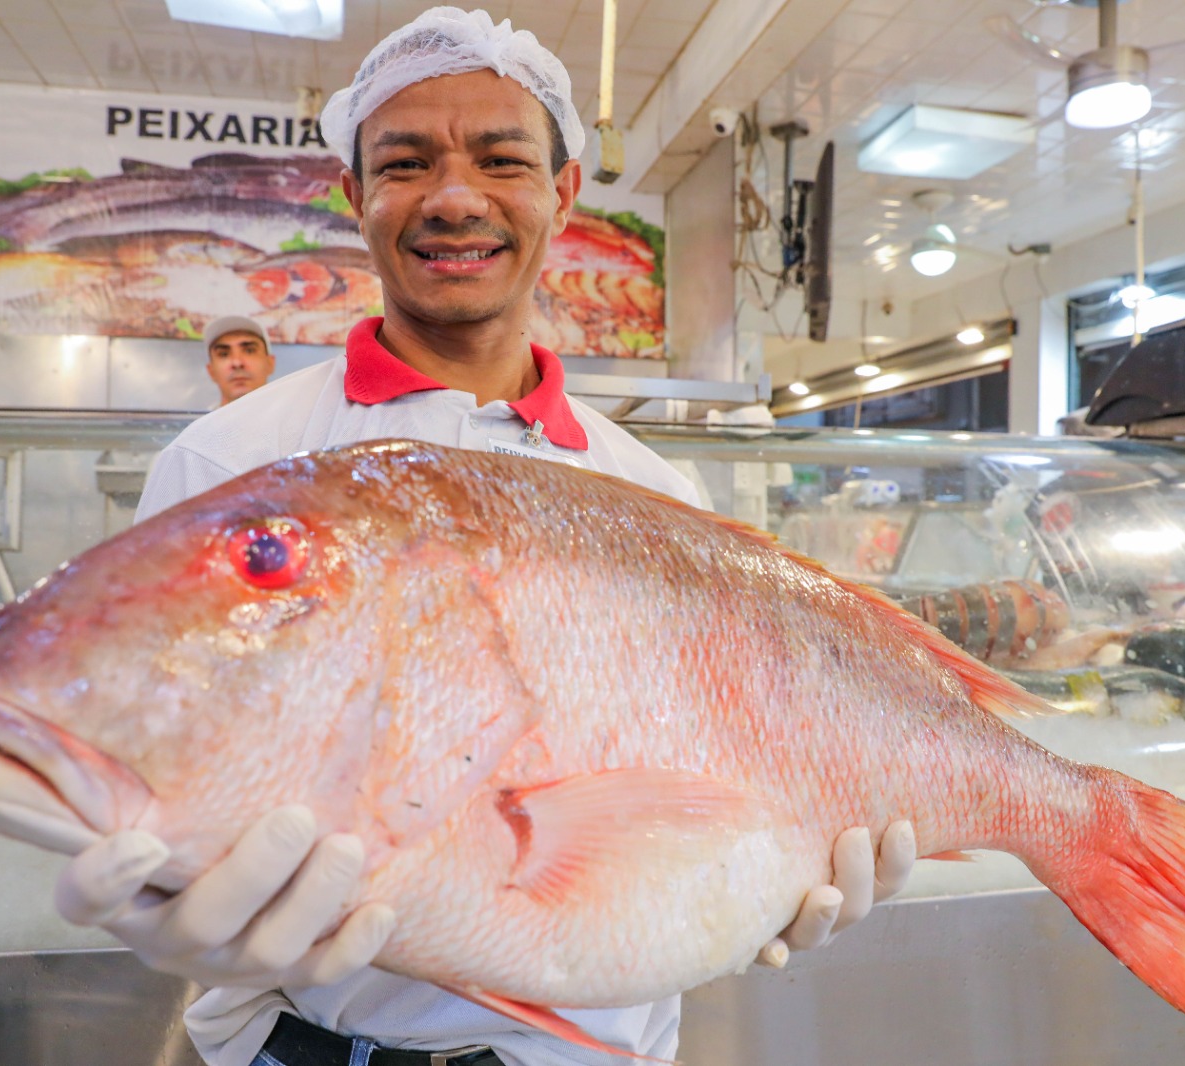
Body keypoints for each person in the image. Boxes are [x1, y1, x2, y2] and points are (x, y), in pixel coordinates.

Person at [53, 9, 917, 1066]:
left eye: (500, 159)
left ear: (560, 194)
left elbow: (706, 765)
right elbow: (152, 746)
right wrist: (158, 881)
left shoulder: (649, 488)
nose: (454, 198)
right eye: (405, 163)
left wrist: (765, 869)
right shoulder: (229, 463)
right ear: (355, 197)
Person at [204, 315, 277, 407]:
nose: (237, 363)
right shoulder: (198, 421)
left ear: (270, 363)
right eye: (224, 354)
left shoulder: (296, 419)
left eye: (249, 351)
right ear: (211, 371)